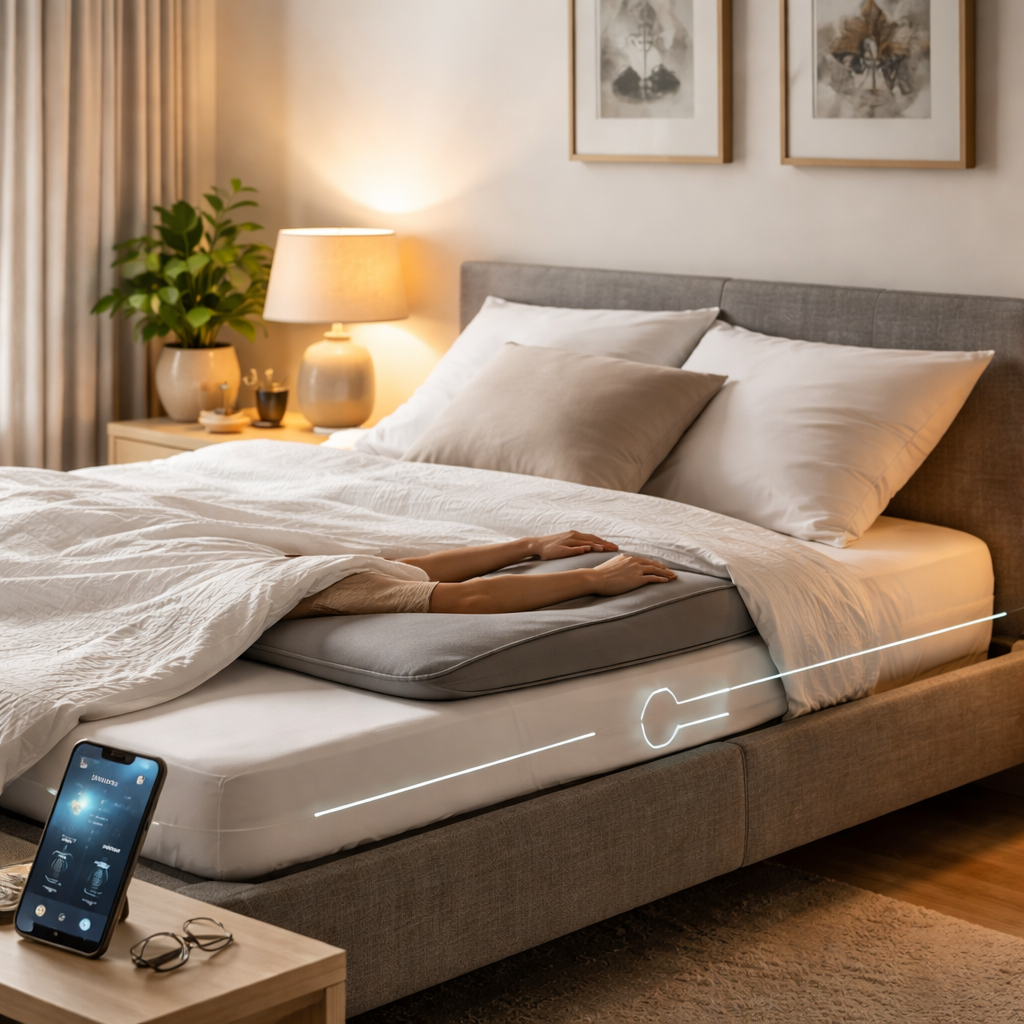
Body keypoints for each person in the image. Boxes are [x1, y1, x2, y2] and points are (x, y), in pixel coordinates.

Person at [285, 531, 676, 619]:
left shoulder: (238, 555)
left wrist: (529, 546)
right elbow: (467, 598)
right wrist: (593, 579)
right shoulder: (306, 591)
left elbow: (404, 572)